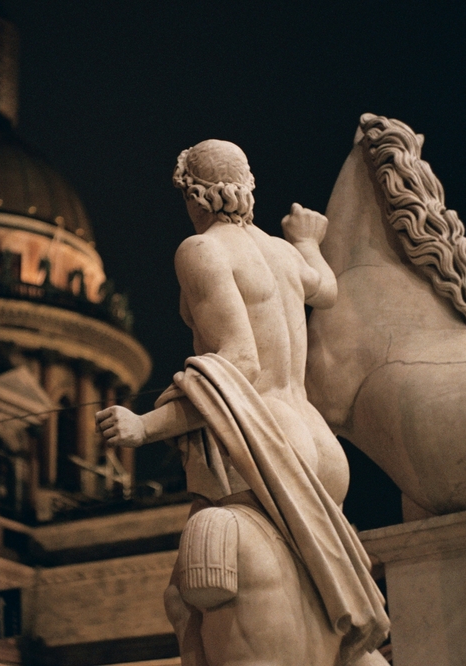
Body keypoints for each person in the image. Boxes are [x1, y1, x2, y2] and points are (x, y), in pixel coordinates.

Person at [95, 140, 389, 665]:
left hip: (260, 440)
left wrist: (144, 426)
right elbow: (324, 289)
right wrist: (307, 240)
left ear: (196, 197)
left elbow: (240, 361)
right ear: (247, 190)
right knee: (316, 598)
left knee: (185, 600)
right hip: (318, 443)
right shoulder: (279, 251)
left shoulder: (202, 250)